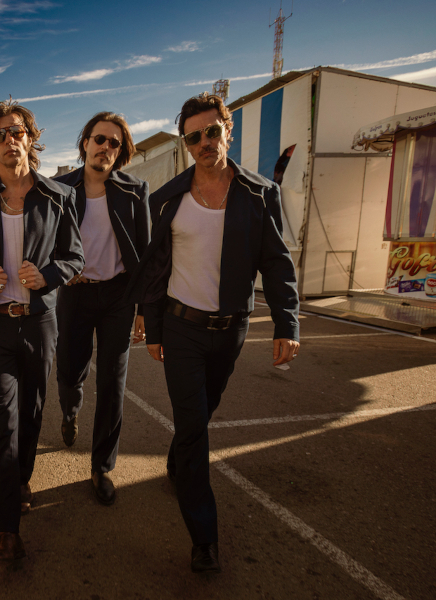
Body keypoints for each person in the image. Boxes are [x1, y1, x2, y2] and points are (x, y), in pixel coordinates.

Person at [130, 93, 300, 574]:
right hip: (181, 328)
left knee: (201, 415)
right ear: (186, 144)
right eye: (194, 137)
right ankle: (204, 537)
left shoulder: (260, 194)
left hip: (231, 331)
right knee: (194, 427)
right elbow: (155, 269)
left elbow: (276, 263)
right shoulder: (168, 199)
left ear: (229, 130)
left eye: (211, 131)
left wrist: (287, 322)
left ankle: (177, 460)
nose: (204, 142)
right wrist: (153, 326)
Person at [0, 99, 84, 566]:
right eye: (0, 134)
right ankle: (7, 532)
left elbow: (76, 257)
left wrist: (47, 275)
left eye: (17, 132)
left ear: (31, 138)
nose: (10, 140)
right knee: (4, 423)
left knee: (30, 416)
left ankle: (20, 479)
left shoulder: (59, 197)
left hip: (39, 324)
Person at [53, 112, 150, 505]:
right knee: (68, 370)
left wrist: (143, 309)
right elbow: (42, 242)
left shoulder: (134, 191)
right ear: (85, 144)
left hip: (118, 297)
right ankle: (70, 410)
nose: (106, 147)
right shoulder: (60, 189)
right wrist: (61, 272)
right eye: (99, 139)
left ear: (120, 151)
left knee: (112, 382)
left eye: (114, 142)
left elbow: (144, 254)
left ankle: (102, 466)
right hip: (74, 295)